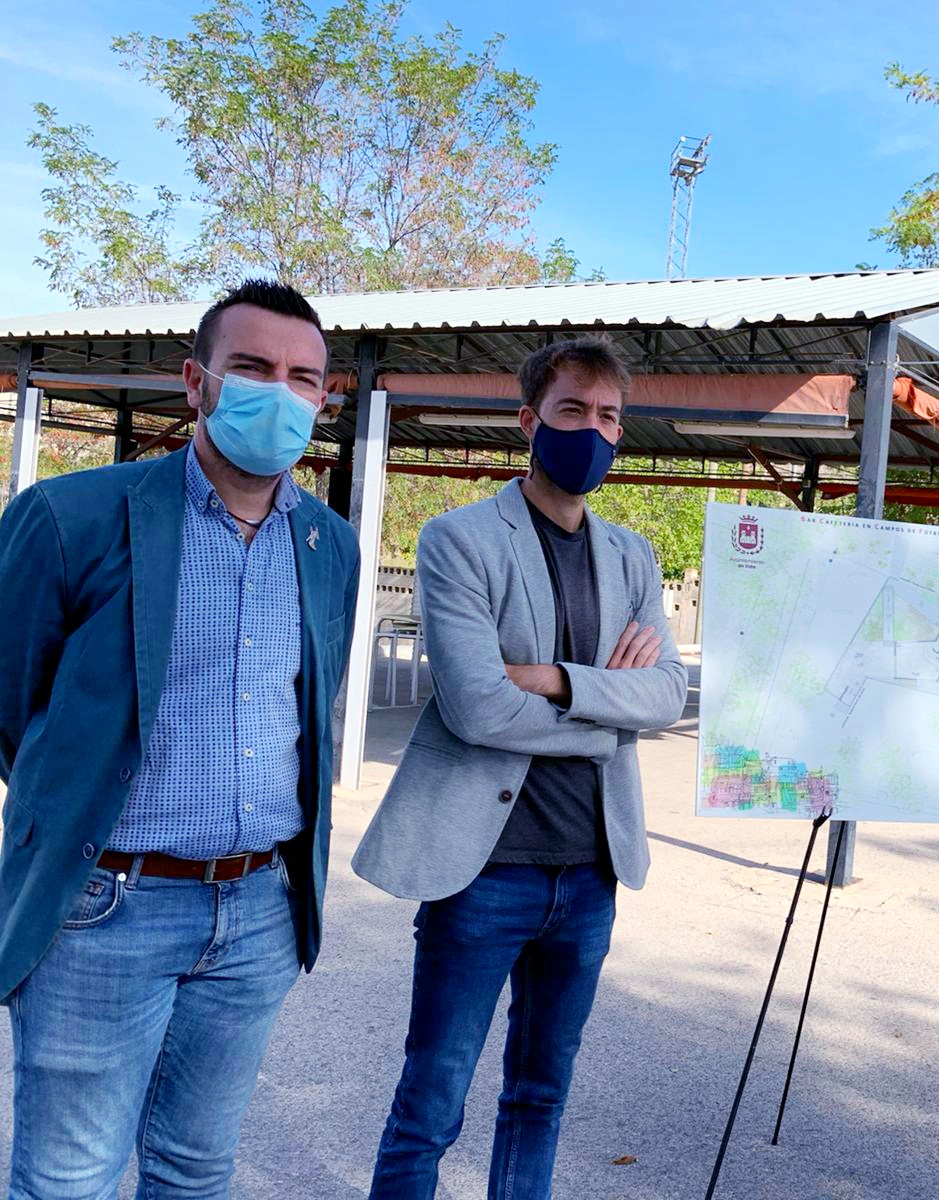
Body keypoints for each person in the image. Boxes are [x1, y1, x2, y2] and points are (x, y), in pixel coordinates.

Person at [0, 279, 360, 1197]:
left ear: (326, 399)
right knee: (69, 1177)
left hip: (253, 916)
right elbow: (13, 709)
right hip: (104, 910)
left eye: (302, 377)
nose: (278, 393)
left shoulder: (330, 543)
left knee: (197, 1169)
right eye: (251, 368)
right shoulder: (71, 518)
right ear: (195, 381)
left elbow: (311, 711)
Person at [353, 334, 687, 1200]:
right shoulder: (459, 540)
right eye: (571, 410)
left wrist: (557, 681)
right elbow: (476, 709)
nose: (592, 430)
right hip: (483, 873)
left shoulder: (633, 556)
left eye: (608, 416)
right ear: (528, 420)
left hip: (590, 875)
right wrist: (607, 706)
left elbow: (666, 697)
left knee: (540, 1097)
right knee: (431, 1103)